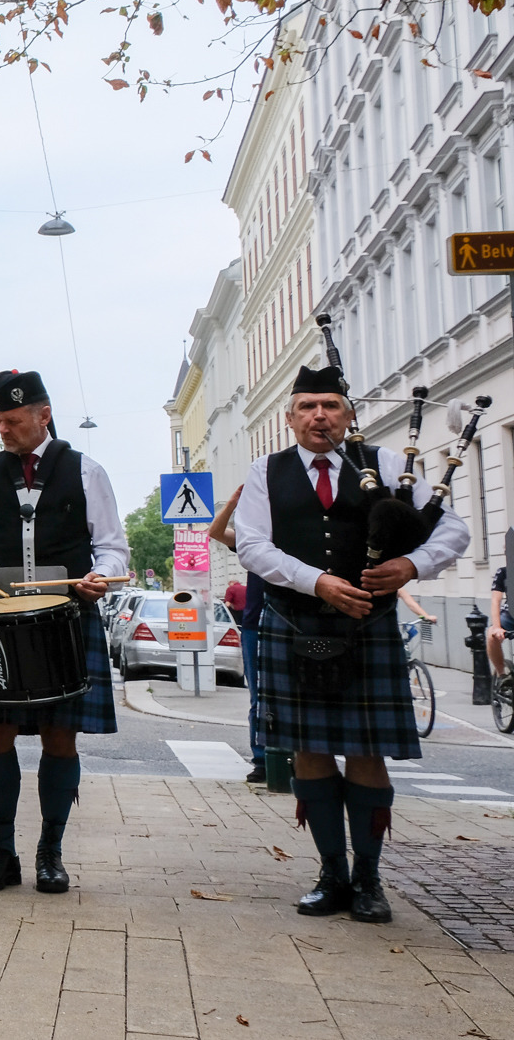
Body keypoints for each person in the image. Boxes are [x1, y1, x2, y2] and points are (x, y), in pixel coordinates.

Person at [235, 365, 469, 925]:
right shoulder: (266, 472)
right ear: (289, 417)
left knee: (367, 752)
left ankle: (368, 879)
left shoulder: (388, 466)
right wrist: (316, 580)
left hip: (367, 626)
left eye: (332, 406)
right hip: (295, 623)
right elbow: (251, 545)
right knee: (309, 752)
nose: (320, 415)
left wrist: (411, 564)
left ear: (349, 414)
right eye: (309, 406)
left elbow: (452, 530)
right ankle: (330, 873)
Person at [0, 370, 127, 895]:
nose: (3, 429)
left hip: (67, 619)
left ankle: (51, 852)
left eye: (13, 420)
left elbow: (112, 546)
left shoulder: (87, 472)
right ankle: (2, 852)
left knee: (59, 737)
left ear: (43, 416)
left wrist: (100, 577)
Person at [210, 486, 268, 783]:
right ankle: (262, 759)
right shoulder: (254, 539)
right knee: (259, 695)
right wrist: (232, 503)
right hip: (256, 623)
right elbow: (216, 532)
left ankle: (298, 755)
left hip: (293, 620)